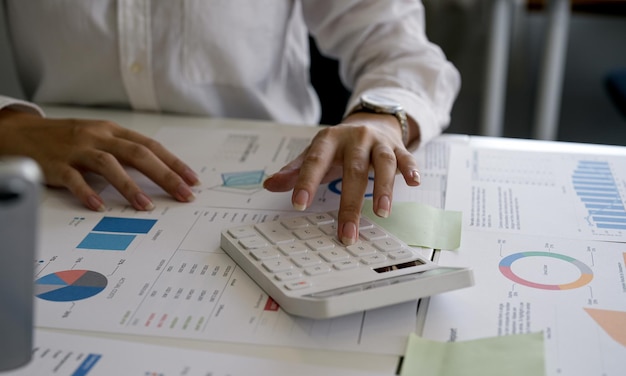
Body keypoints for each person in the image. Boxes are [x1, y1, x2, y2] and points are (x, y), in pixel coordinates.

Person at [0, 0, 460, 246]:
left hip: (269, 192)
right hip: (49, 180)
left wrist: (379, 119)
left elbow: (400, 48)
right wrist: (9, 127)